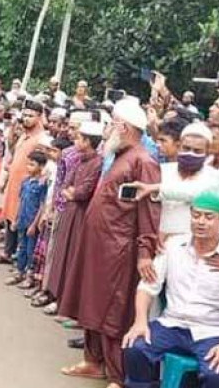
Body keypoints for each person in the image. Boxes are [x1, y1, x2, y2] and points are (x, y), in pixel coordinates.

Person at [60, 98, 161, 388]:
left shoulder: (144, 161)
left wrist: (144, 252)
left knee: (113, 311)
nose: (107, 130)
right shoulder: (120, 155)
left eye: (112, 123)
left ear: (124, 127)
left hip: (119, 250)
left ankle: (117, 376)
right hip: (98, 245)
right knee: (90, 303)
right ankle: (92, 362)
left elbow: (148, 211)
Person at [122, 192, 219, 388]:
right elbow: (148, 286)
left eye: (209, 217)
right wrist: (140, 321)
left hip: (212, 331)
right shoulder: (173, 246)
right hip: (172, 324)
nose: (201, 222)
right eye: (196, 215)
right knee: (135, 347)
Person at [45, 121, 103, 308]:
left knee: (72, 257)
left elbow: (83, 192)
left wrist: (72, 192)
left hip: (81, 215)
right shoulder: (79, 160)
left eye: (78, 138)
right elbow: (65, 186)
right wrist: (70, 192)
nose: (75, 141)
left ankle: (64, 301)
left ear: (87, 142)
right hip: (69, 211)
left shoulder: (97, 163)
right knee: (61, 254)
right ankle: (54, 295)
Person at [0, 99, 46, 265]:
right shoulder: (24, 135)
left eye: (31, 116)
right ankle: (8, 252)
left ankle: (19, 260)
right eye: (25, 115)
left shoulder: (41, 139)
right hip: (14, 184)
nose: (27, 118)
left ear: (40, 117)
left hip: (29, 188)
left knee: (21, 220)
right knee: (10, 216)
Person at [6, 151, 49, 287]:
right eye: (28, 164)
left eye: (32, 164)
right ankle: (20, 272)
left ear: (41, 166)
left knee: (31, 250)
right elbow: (20, 201)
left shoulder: (42, 184)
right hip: (22, 220)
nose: (28, 167)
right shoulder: (25, 181)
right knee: (22, 247)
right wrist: (15, 219)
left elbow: (42, 205)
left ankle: (29, 276)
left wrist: (34, 224)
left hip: (32, 222)